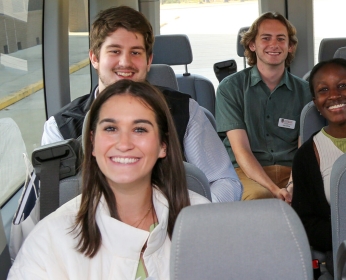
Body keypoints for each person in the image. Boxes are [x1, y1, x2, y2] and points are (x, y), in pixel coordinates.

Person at [9, 80, 211, 279]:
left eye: (140, 129)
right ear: (93, 143)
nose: (124, 144)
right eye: (110, 129)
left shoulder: (205, 223)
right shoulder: (49, 240)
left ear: (162, 145)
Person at [41, 6, 242, 202]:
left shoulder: (184, 112)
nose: (125, 62)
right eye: (114, 51)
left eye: (135, 52)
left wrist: (186, 220)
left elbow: (225, 182)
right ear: (94, 57)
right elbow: (52, 199)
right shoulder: (60, 128)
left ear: (149, 60)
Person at [215, 12, 312, 202]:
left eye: (281, 39)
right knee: (259, 198)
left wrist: (292, 185)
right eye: (266, 38)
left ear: (290, 47)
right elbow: (241, 149)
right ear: (252, 45)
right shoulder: (230, 88)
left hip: (292, 170)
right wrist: (274, 189)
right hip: (247, 171)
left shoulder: (306, 91)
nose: (274, 45)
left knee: (313, 199)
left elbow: (303, 150)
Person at [291, 58, 346, 255]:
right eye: (323, 90)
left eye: (342, 86)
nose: (334, 95)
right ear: (316, 104)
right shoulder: (307, 156)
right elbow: (307, 222)